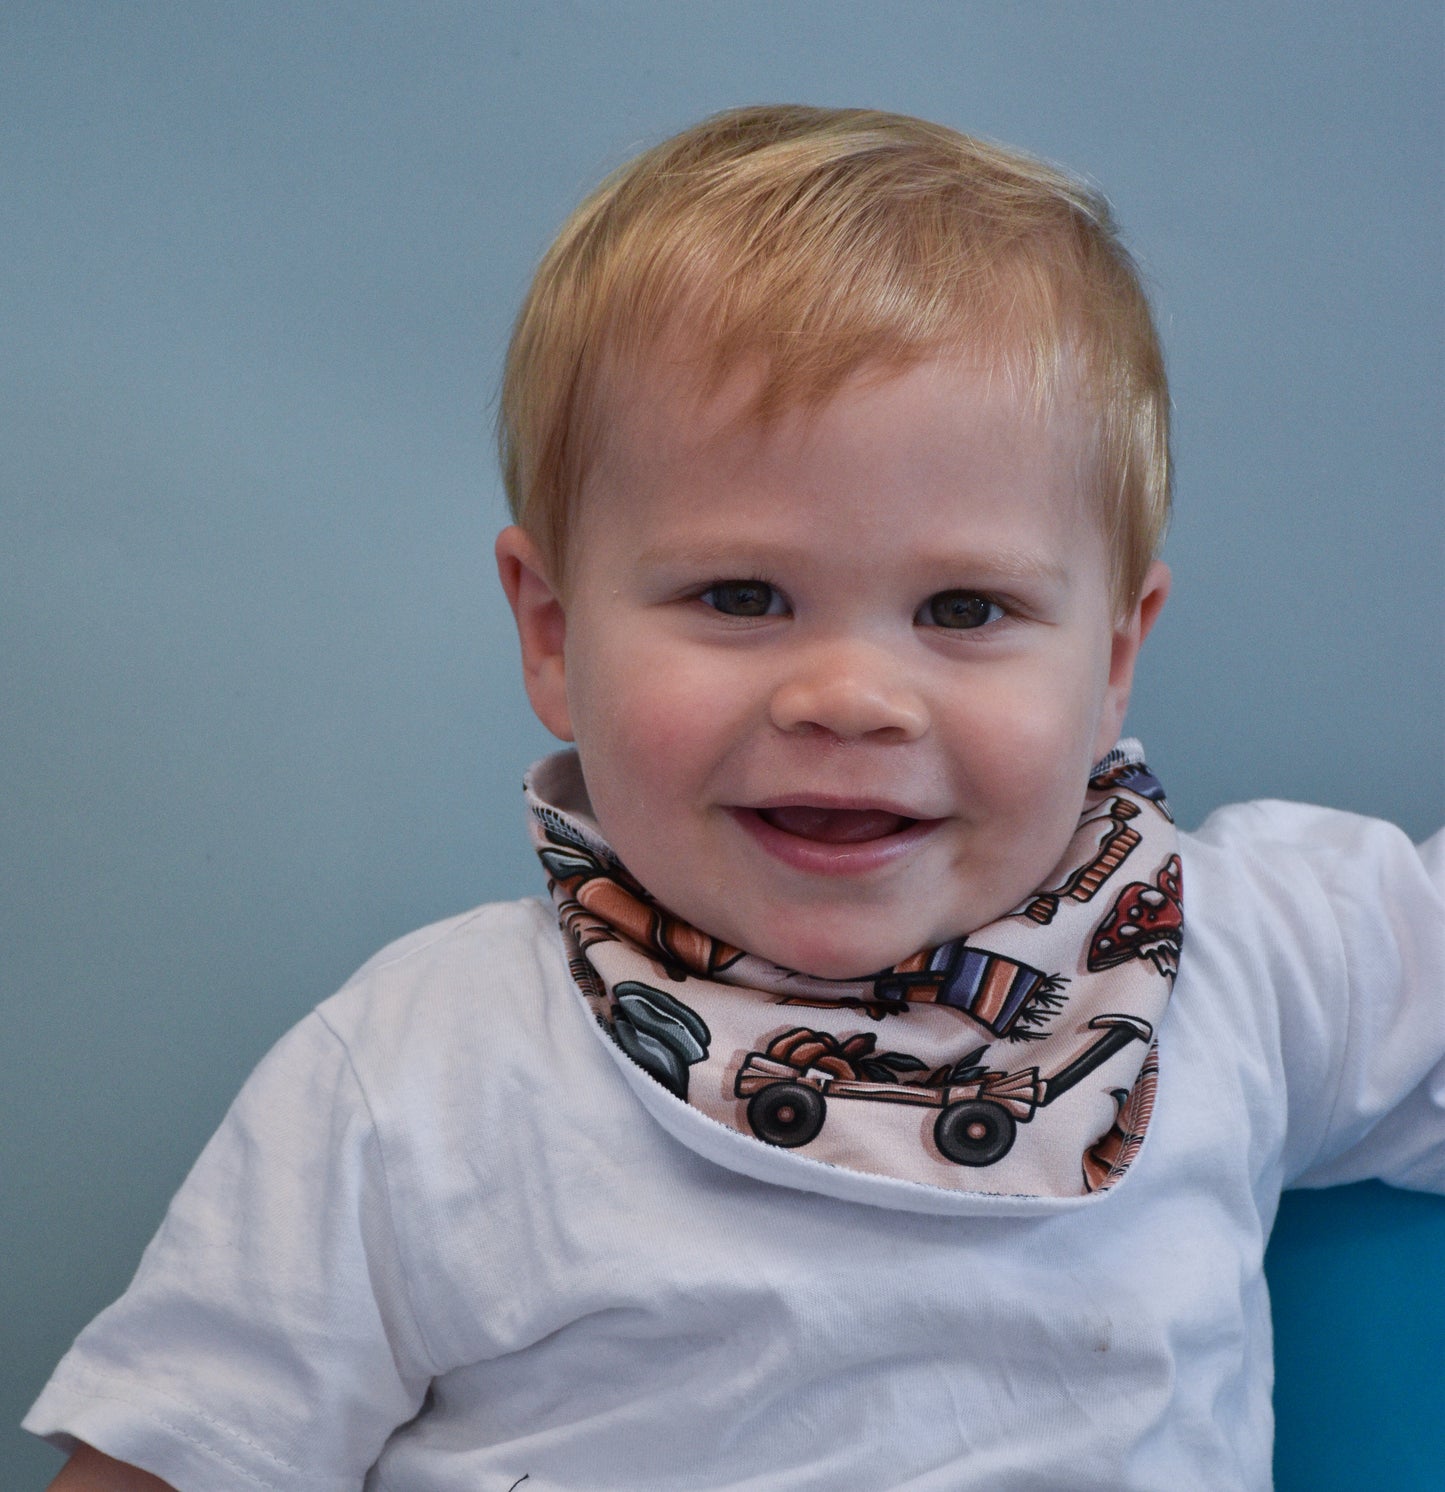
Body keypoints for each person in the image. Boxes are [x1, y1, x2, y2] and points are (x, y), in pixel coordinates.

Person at [28, 104, 1443, 1492]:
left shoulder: (1247, 954)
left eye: (963, 608)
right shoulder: (419, 1073)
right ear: (554, 634)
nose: (850, 696)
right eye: (740, 596)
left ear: (1114, 660)